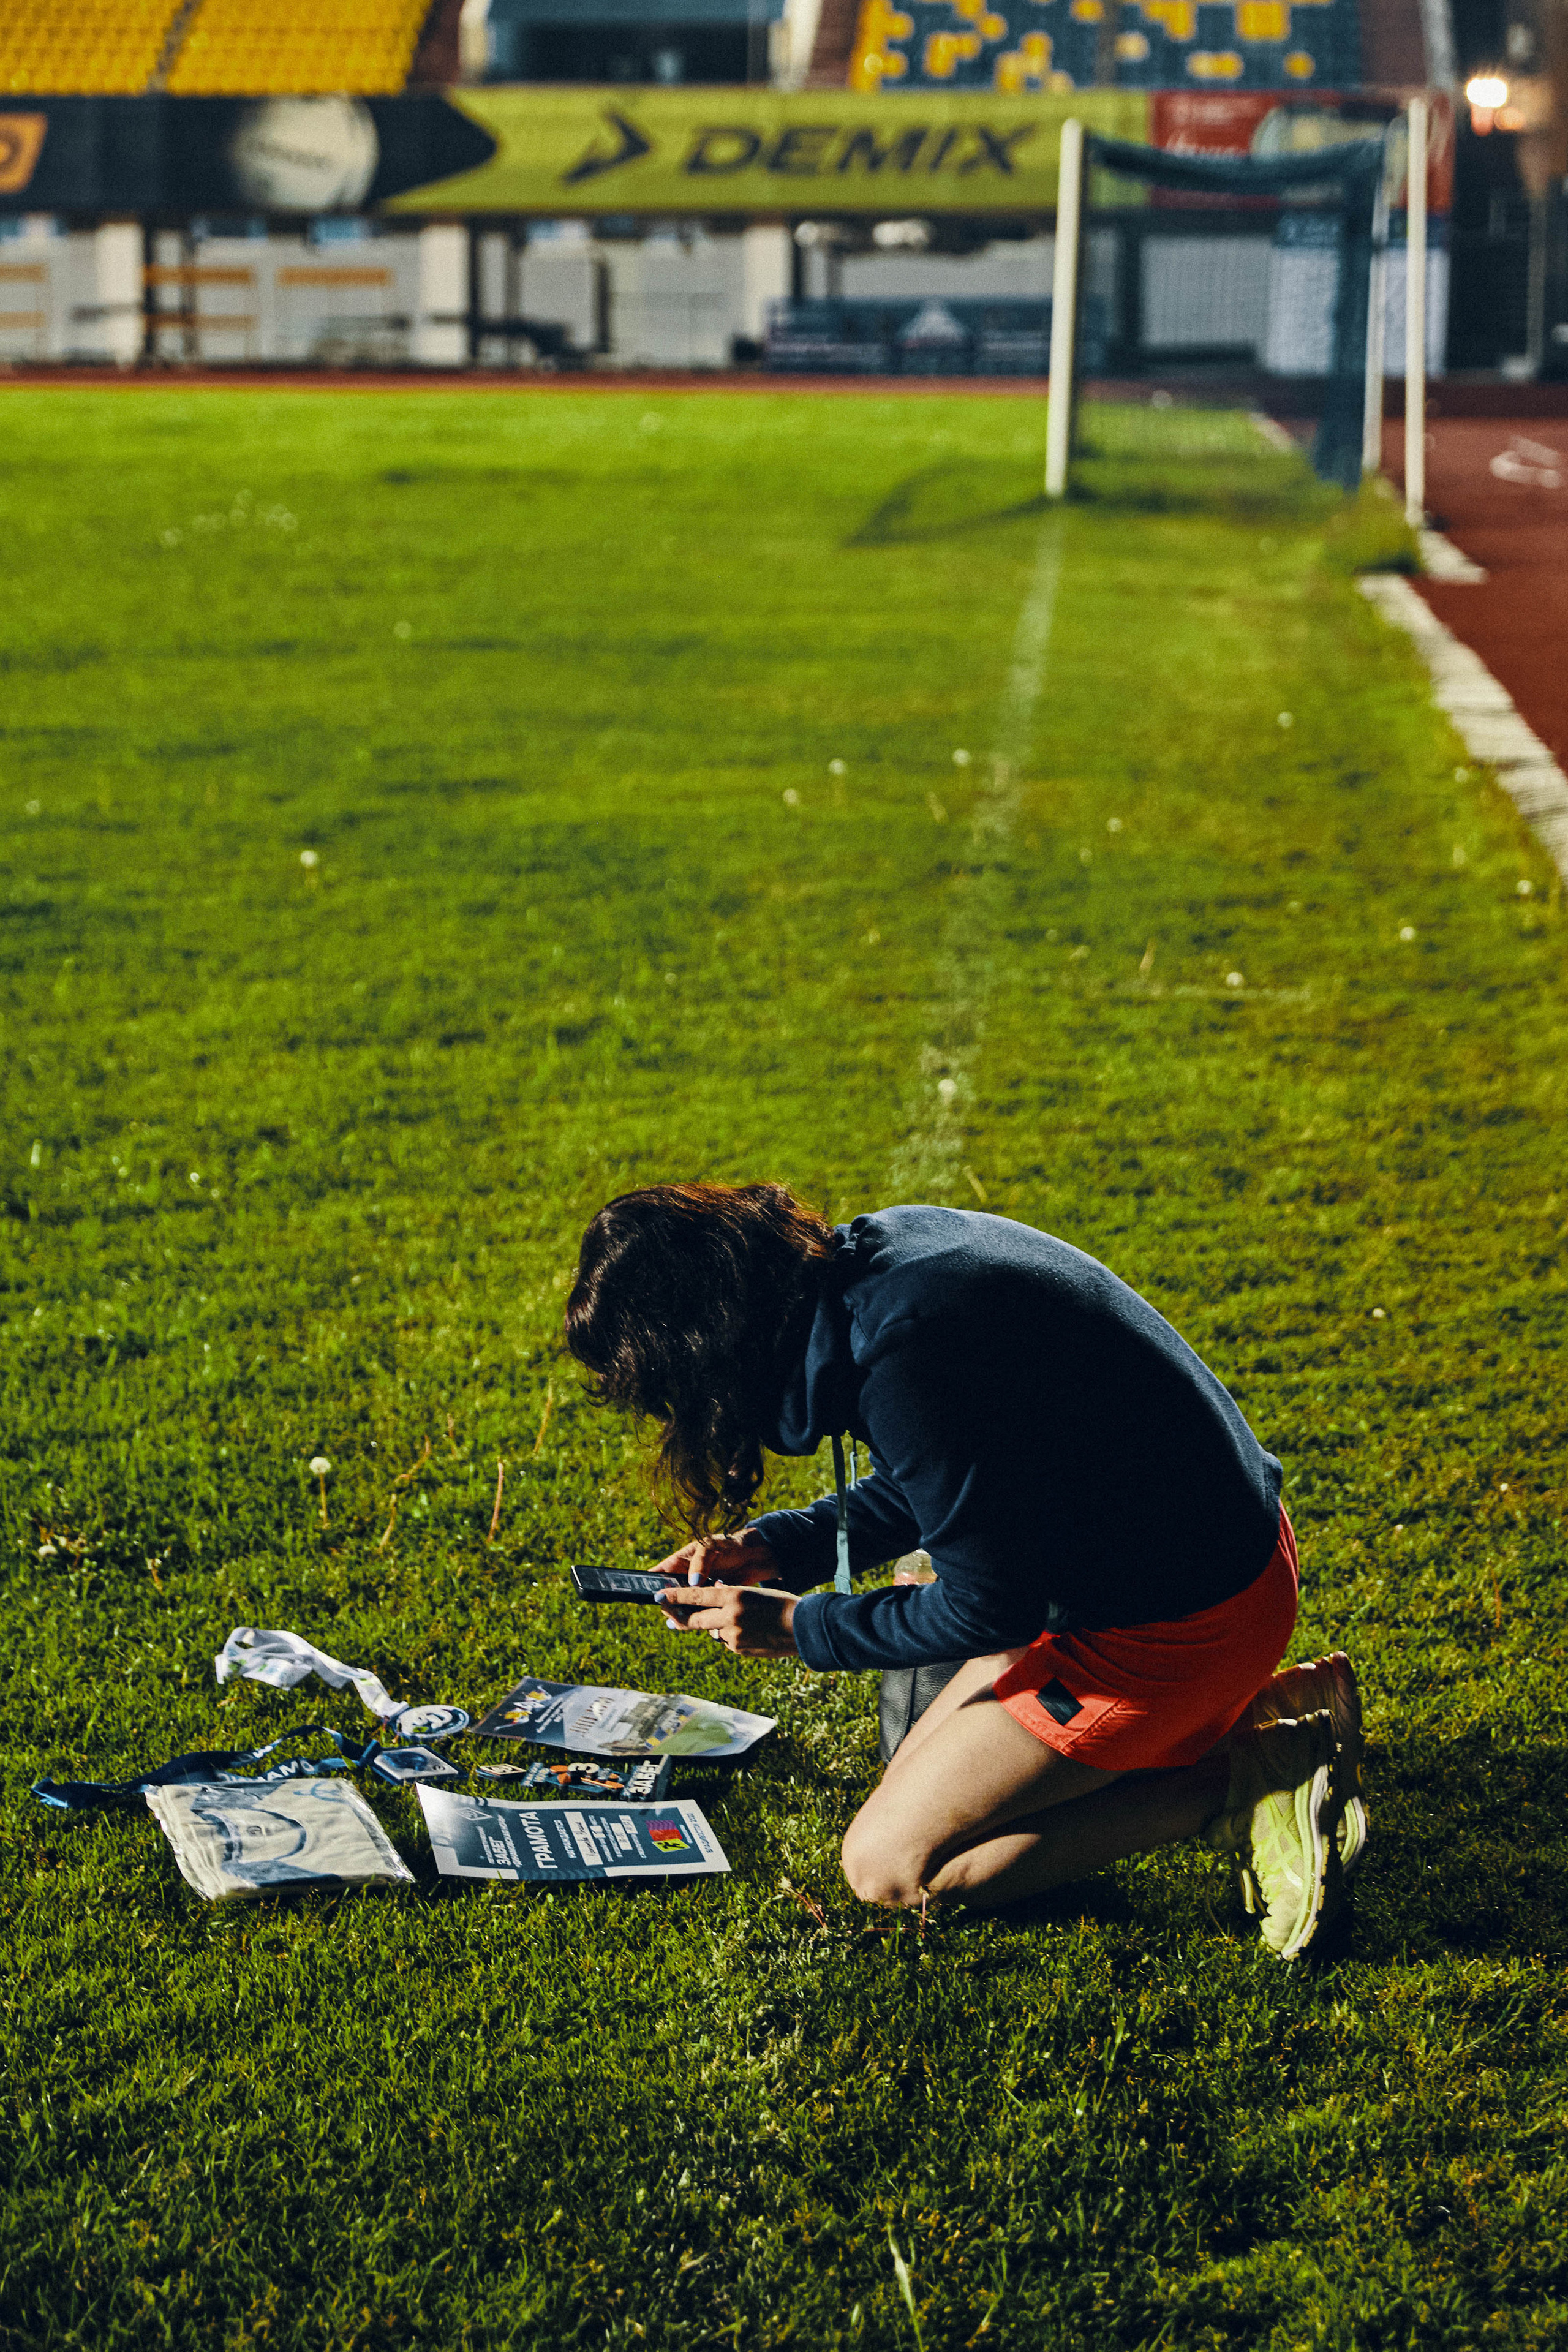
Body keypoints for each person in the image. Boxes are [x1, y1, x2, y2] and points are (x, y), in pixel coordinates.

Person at [564, 1182, 1367, 1958]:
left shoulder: (902, 1356)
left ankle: (1247, 1775)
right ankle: (1259, 1714)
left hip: (1177, 1625)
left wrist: (796, 1626)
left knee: (889, 1865)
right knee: (913, 1761)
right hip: (1213, 1565)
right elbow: (956, 1478)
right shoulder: (877, 1271)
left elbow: (992, 1607)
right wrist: (779, 1549)